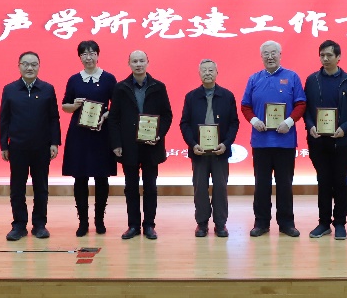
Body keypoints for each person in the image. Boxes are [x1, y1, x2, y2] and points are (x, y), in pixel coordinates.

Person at [303, 40, 347, 241]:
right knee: (323, 181)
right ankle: (323, 223)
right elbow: (305, 108)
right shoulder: (312, 80)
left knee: (340, 182)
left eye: (329, 55)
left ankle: (340, 223)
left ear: (338, 57)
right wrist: (310, 125)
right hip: (318, 141)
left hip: (341, 140)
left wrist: (345, 129)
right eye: (322, 55)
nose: (325, 58)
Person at [241, 40, 306, 237]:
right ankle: (261, 223)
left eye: (273, 53)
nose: (270, 57)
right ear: (261, 57)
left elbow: (301, 104)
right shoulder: (254, 79)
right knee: (261, 185)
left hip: (285, 142)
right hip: (261, 142)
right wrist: (253, 120)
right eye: (266, 53)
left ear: (280, 55)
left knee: (285, 184)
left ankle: (286, 223)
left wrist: (289, 121)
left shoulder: (292, 77)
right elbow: (245, 106)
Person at [109, 50, 172, 240]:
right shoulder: (121, 88)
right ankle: (133, 225)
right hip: (128, 146)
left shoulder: (158, 87)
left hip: (152, 145)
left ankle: (149, 225)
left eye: (141, 61)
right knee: (131, 187)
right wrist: (116, 143)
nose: (138, 64)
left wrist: (159, 135)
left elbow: (167, 115)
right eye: (135, 61)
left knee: (150, 187)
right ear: (129, 64)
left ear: (147, 62)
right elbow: (114, 118)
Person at [0, 51, 61, 241]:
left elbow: (54, 118)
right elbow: (4, 119)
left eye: (34, 64)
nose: (30, 67)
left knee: (41, 187)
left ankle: (39, 225)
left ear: (39, 66)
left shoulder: (47, 89)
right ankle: (19, 225)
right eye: (25, 64)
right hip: (17, 147)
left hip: (41, 147)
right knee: (17, 188)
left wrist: (54, 142)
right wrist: (4, 145)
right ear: (19, 66)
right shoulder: (10, 89)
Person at [60, 40, 118, 237]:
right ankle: (83, 222)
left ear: (98, 55)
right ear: (80, 57)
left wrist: (105, 116)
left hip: (101, 133)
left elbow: (116, 106)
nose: (89, 57)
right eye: (84, 54)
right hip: (80, 135)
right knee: (80, 178)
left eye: (92, 53)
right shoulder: (74, 80)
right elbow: (65, 106)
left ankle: (99, 220)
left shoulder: (109, 78)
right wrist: (75, 105)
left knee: (102, 177)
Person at [179, 59, 240, 238]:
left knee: (220, 188)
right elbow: (184, 123)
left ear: (217, 73)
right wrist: (193, 144)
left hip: (220, 151)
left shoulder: (227, 96)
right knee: (200, 188)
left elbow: (234, 123)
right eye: (204, 70)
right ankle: (202, 223)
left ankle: (220, 224)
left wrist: (226, 143)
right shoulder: (191, 97)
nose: (207, 73)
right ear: (199, 73)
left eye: (211, 70)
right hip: (199, 151)